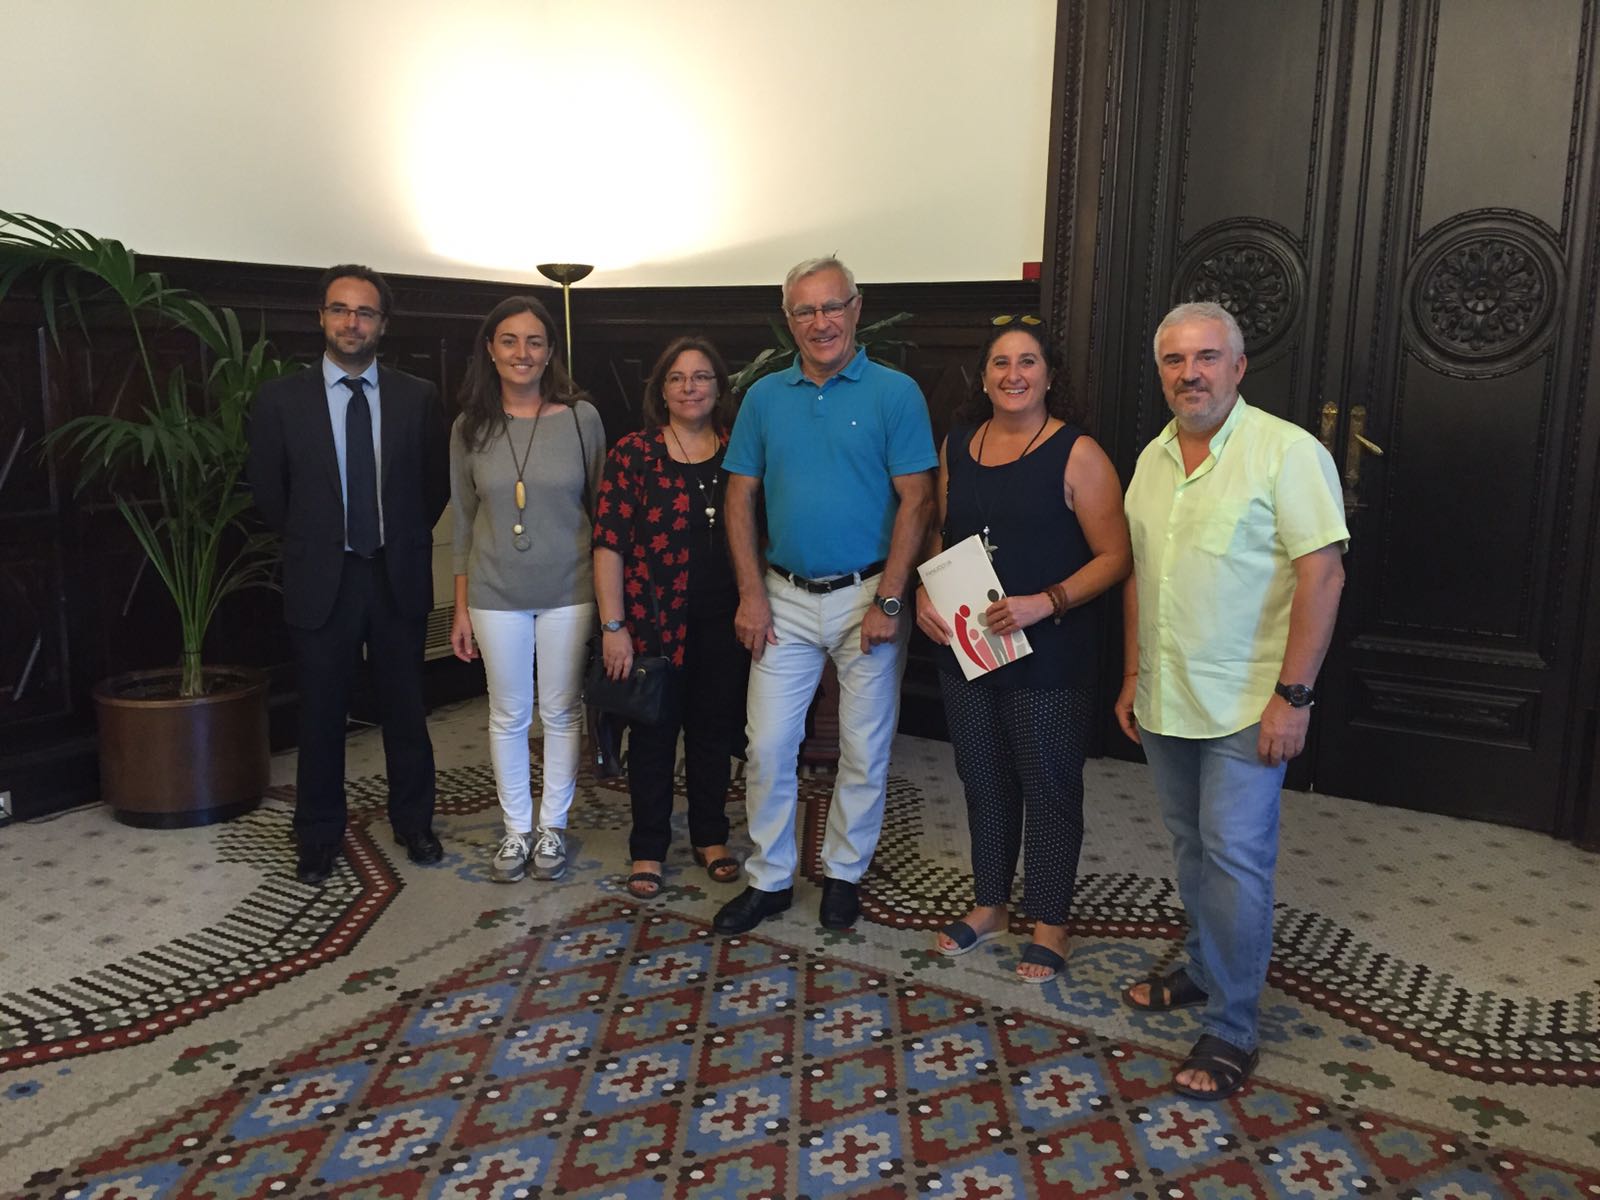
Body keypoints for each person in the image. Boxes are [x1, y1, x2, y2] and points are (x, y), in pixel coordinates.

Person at [1115, 301, 1347, 1100]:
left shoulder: (1289, 452)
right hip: (1167, 695)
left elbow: (1324, 576)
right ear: (1162, 372)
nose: (1192, 374)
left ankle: (1234, 1026)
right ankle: (1203, 968)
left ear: (1239, 367)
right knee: (1191, 848)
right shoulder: (1150, 461)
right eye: (1175, 360)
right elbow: (1141, 574)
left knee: (1236, 858)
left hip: (1250, 703)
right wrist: (1132, 675)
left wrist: (1295, 697)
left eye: (1208, 357)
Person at [714, 256, 937, 935]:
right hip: (781, 596)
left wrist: (890, 600)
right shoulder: (764, 397)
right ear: (789, 321)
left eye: (832, 306)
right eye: (805, 310)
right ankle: (770, 878)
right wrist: (750, 595)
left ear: (856, 309)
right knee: (767, 746)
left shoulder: (895, 393)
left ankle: (844, 874)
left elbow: (918, 499)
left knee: (864, 751)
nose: (821, 322)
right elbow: (739, 497)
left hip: (867, 594)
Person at [916, 318, 1130, 981]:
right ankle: (991, 903)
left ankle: (1050, 921)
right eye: (1001, 363)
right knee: (982, 779)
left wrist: (1049, 600)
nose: (1014, 375)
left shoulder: (1078, 453)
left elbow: (1116, 557)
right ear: (983, 376)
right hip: (971, 646)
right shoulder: (958, 443)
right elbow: (942, 531)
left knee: (1050, 786)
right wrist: (925, 590)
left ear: (1050, 375)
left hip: (1051, 653)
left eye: (1028, 362)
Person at [248, 265, 450, 885]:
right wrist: (321, 538)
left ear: (383, 324)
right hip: (322, 577)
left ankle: (414, 821)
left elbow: (433, 486)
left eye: (365, 312)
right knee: (320, 715)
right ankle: (317, 833)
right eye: (340, 309)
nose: (351, 322)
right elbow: (270, 495)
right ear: (321, 317)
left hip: (395, 572)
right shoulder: (280, 400)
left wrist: (396, 536)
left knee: (406, 709)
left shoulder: (419, 396)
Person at [448, 296, 604, 884]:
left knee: (561, 711)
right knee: (509, 714)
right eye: (509, 340)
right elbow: (464, 522)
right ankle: (516, 829)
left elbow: (602, 508)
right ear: (490, 350)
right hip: (493, 592)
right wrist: (460, 607)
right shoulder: (469, 427)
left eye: (534, 341)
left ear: (549, 351)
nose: (522, 352)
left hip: (571, 588)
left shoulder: (582, 419)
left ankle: (552, 827)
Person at [592, 336, 749, 899]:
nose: (689, 388)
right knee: (653, 738)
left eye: (701, 377)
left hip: (726, 620)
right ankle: (648, 847)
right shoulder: (633, 453)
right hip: (650, 624)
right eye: (677, 378)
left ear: (719, 387)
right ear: (661, 390)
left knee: (712, 732)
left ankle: (710, 836)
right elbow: (608, 543)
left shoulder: (739, 451)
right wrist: (613, 627)